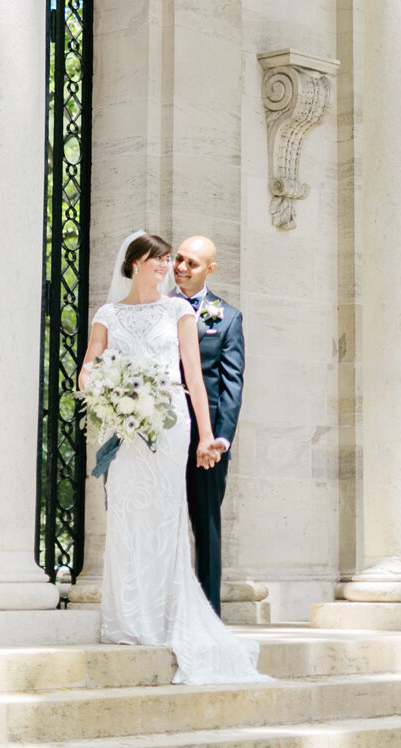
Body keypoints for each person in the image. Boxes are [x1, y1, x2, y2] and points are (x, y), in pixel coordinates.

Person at [79, 232, 267, 685]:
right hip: (127, 430)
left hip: (171, 424)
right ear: (135, 264)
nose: (170, 267)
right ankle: (129, 618)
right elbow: (90, 365)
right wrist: (104, 389)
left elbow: (201, 382)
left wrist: (209, 435)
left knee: (171, 519)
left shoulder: (181, 311)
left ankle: (177, 617)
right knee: (127, 517)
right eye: (161, 260)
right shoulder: (107, 314)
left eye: (175, 260)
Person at [172, 235, 244, 617]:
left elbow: (232, 382)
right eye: (178, 259)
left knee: (206, 521)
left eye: (192, 263)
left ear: (210, 270)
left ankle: (208, 612)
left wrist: (220, 437)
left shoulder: (227, 317)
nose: (181, 268)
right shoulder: (157, 307)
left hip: (207, 441)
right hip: (163, 432)